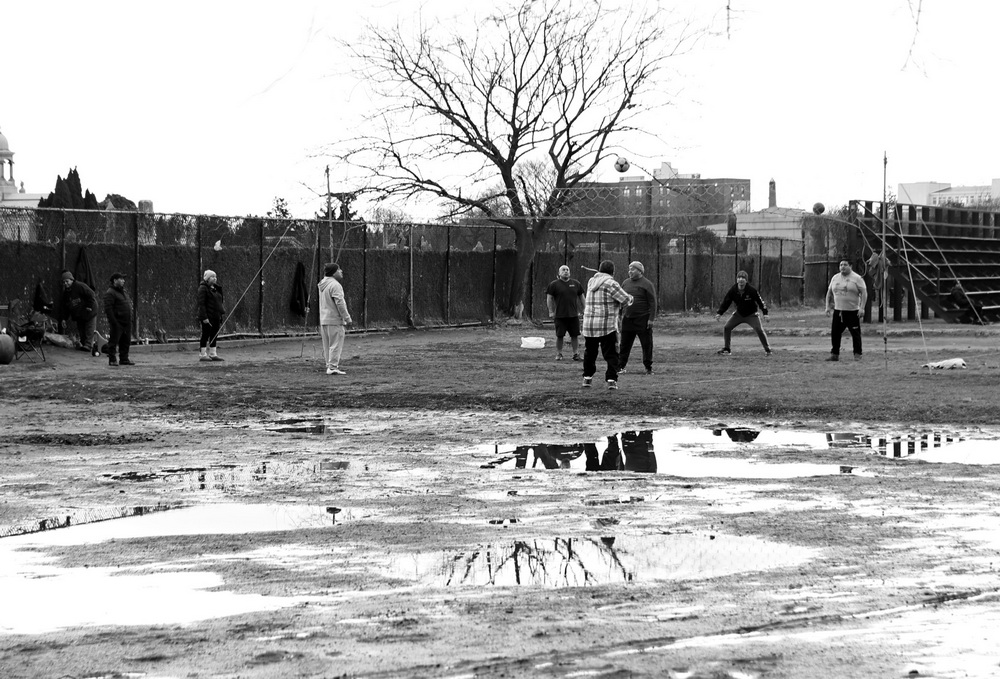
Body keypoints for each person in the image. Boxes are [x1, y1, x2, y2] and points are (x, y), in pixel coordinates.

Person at [581, 260, 633, 390]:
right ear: (613, 272)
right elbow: (625, 299)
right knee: (611, 353)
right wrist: (631, 298)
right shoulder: (611, 283)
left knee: (590, 352)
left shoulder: (591, 282)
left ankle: (587, 378)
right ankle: (611, 380)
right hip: (606, 325)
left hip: (589, 325)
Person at [714, 270, 771, 356]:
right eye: (739, 278)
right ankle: (727, 349)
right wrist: (719, 313)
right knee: (727, 327)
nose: (741, 280)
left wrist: (765, 313)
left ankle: (768, 350)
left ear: (746, 281)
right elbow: (726, 302)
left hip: (752, 315)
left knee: (759, 330)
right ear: (737, 280)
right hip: (739, 314)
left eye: (743, 278)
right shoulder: (733, 290)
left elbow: (760, 302)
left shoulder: (752, 290)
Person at [825, 259, 868, 361]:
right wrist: (827, 306)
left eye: (845, 265)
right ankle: (834, 354)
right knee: (835, 333)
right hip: (839, 310)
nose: (842, 267)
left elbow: (864, 293)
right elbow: (829, 293)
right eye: (841, 265)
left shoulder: (857, 278)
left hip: (852, 311)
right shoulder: (835, 278)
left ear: (850, 266)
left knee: (855, 333)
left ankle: (857, 354)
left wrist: (862, 308)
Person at [618, 261, 656, 375]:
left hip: (643, 318)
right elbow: (620, 299)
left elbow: (653, 302)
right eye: (629, 269)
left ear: (640, 271)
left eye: (633, 269)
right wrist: (619, 315)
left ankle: (648, 367)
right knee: (624, 344)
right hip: (628, 318)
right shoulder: (625, 283)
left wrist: (651, 319)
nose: (630, 271)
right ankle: (620, 366)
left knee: (646, 344)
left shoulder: (647, 284)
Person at [318, 262, 352, 375]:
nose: (341, 271)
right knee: (336, 344)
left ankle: (329, 366)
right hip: (334, 319)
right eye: (339, 269)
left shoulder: (322, 284)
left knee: (327, 345)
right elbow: (340, 303)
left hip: (324, 319)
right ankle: (333, 367)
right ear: (333, 273)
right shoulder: (335, 285)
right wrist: (347, 318)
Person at [545, 264, 585, 361]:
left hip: (573, 315)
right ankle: (559, 354)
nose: (566, 271)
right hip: (560, 315)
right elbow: (549, 298)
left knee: (575, 335)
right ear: (559, 273)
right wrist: (551, 311)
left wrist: (585, 309)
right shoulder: (554, 285)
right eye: (563, 270)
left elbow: (582, 297)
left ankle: (576, 354)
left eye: (567, 269)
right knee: (560, 336)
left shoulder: (576, 284)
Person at [59, 270, 97, 353]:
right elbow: (66, 307)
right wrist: (64, 319)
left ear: (71, 280)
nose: (65, 283)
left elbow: (91, 294)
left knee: (89, 328)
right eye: (64, 282)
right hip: (79, 313)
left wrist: (89, 306)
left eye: (67, 281)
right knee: (81, 330)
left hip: (90, 311)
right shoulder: (66, 293)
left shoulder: (80, 286)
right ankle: (84, 344)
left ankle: (88, 345)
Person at [103, 272, 134, 366]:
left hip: (126, 321)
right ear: (115, 280)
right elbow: (108, 309)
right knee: (113, 341)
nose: (123, 281)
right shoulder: (110, 293)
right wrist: (113, 322)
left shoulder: (123, 291)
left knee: (126, 341)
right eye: (121, 279)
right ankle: (112, 359)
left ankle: (124, 359)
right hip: (118, 321)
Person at [197, 269, 226, 362]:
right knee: (205, 334)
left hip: (216, 315)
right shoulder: (203, 288)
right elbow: (201, 304)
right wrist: (204, 317)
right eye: (212, 277)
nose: (215, 279)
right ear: (207, 279)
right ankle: (202, 354)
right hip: (207, 316)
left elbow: (220, 302)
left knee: (214, 334)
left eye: (215, 277)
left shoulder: (217, 289)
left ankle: (213, 354)